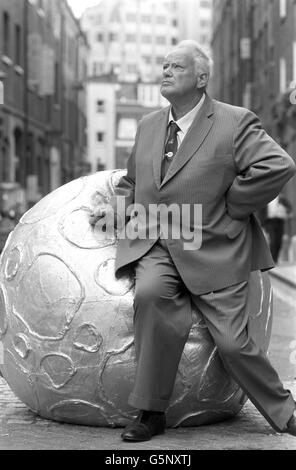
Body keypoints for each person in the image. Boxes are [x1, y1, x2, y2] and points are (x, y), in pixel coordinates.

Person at [90, 40, 296, 442]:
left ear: (201, 78)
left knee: (233, 344)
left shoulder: (235, 122)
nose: (165, 71)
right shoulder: (149, 125)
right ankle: (151, 413)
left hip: (217, 249)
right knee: (151, 296)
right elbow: (132, 181)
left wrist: (234, 204)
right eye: (164, 65)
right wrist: (117, 209)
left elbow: (278, 165)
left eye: (176, 67)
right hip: (157, 244)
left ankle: (285, 411)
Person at [264, 195, 293, 264]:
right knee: (273, 240)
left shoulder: (282, 199)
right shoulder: (267, 198)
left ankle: (275, 259)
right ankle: (271, 260)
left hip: (280, 221)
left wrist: (285, 210)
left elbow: (289, 208)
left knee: (278, 241)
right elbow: (262, 212)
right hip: (270, 222)